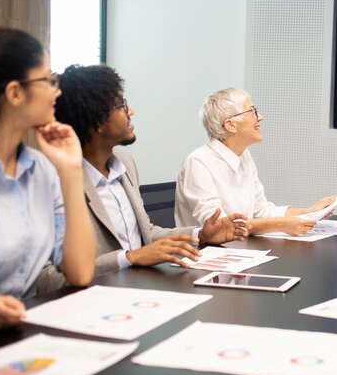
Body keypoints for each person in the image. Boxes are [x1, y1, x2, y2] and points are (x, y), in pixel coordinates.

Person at [36, 65, 249, 293]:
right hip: (93, 302)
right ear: (97, 119)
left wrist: (200, 234)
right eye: (121, 105)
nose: (131, 111)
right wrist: (128, 258)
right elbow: (45, 279)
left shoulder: (125, 164)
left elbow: (146, 234)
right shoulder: (53, 180)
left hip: (138, 292)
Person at [0, 27, 95, 329]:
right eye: (48, 80)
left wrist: (71, 170)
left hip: (16, 338)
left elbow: (80, 272)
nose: (57, 90)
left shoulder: (42, 169)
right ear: (14, 93)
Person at [175, 88, 335, 235]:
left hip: (238, 250)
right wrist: (281, 224)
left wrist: (309, 212)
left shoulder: (244, 156)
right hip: (204, 257)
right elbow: (220, 227)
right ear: (230, 125)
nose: (260, 117)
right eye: (252, 111)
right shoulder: (198, 163)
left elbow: (261, 210)